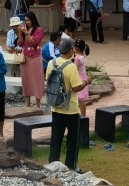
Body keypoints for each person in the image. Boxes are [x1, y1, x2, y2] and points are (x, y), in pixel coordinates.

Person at [45, 36, 86, 171]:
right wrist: (87, 82)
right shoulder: (71, 66)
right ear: (70, 51)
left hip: (56, 106)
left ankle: (53, 164)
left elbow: (47, 80)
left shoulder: (51, 63)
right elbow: (76, 87)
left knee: (56, 137)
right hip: (70, 109)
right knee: (72, 140)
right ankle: (70, 166)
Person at [18, 13, 46, 110]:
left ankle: (37, 104)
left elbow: (34, 43)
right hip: (25, 58)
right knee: (26, 80)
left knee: (36, 80)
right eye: (25, 20)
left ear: (33, 20)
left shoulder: (39, 30)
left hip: (35, 58)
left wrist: (26, 33)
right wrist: (20, 34)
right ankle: (27, 104)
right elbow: (20, 43)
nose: (27, 22)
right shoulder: (25, 29)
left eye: (28, 20)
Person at [73, 38, 91, 105]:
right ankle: (83, 114)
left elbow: (75, 69)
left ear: (77, 48)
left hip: (79, 77)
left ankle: (81, 114)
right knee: (82, 99)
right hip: (83, 76)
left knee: (80, 98)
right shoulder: (82, 56)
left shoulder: (77, 58)